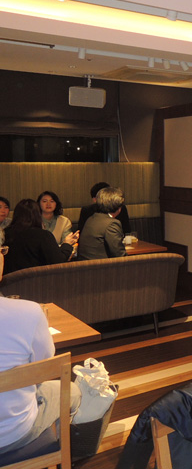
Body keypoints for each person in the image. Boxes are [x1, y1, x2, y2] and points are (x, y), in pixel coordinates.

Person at [0, 297, 81, 456]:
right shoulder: (29, 312)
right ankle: (67, 454)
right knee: (73, 391)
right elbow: (45, 365)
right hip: (14, 434)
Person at [3, 199, 77, 274]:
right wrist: (67, 244)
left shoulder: (6, 233)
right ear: (38, 215)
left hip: (10, 279)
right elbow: (58, 262)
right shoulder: (42, 235)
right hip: (35, 279)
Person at [78, 187, 127, 260]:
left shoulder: (92, 218)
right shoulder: (111, 223)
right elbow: (119, 254)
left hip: (85, 264)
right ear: (119, 207)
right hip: (101, 266)